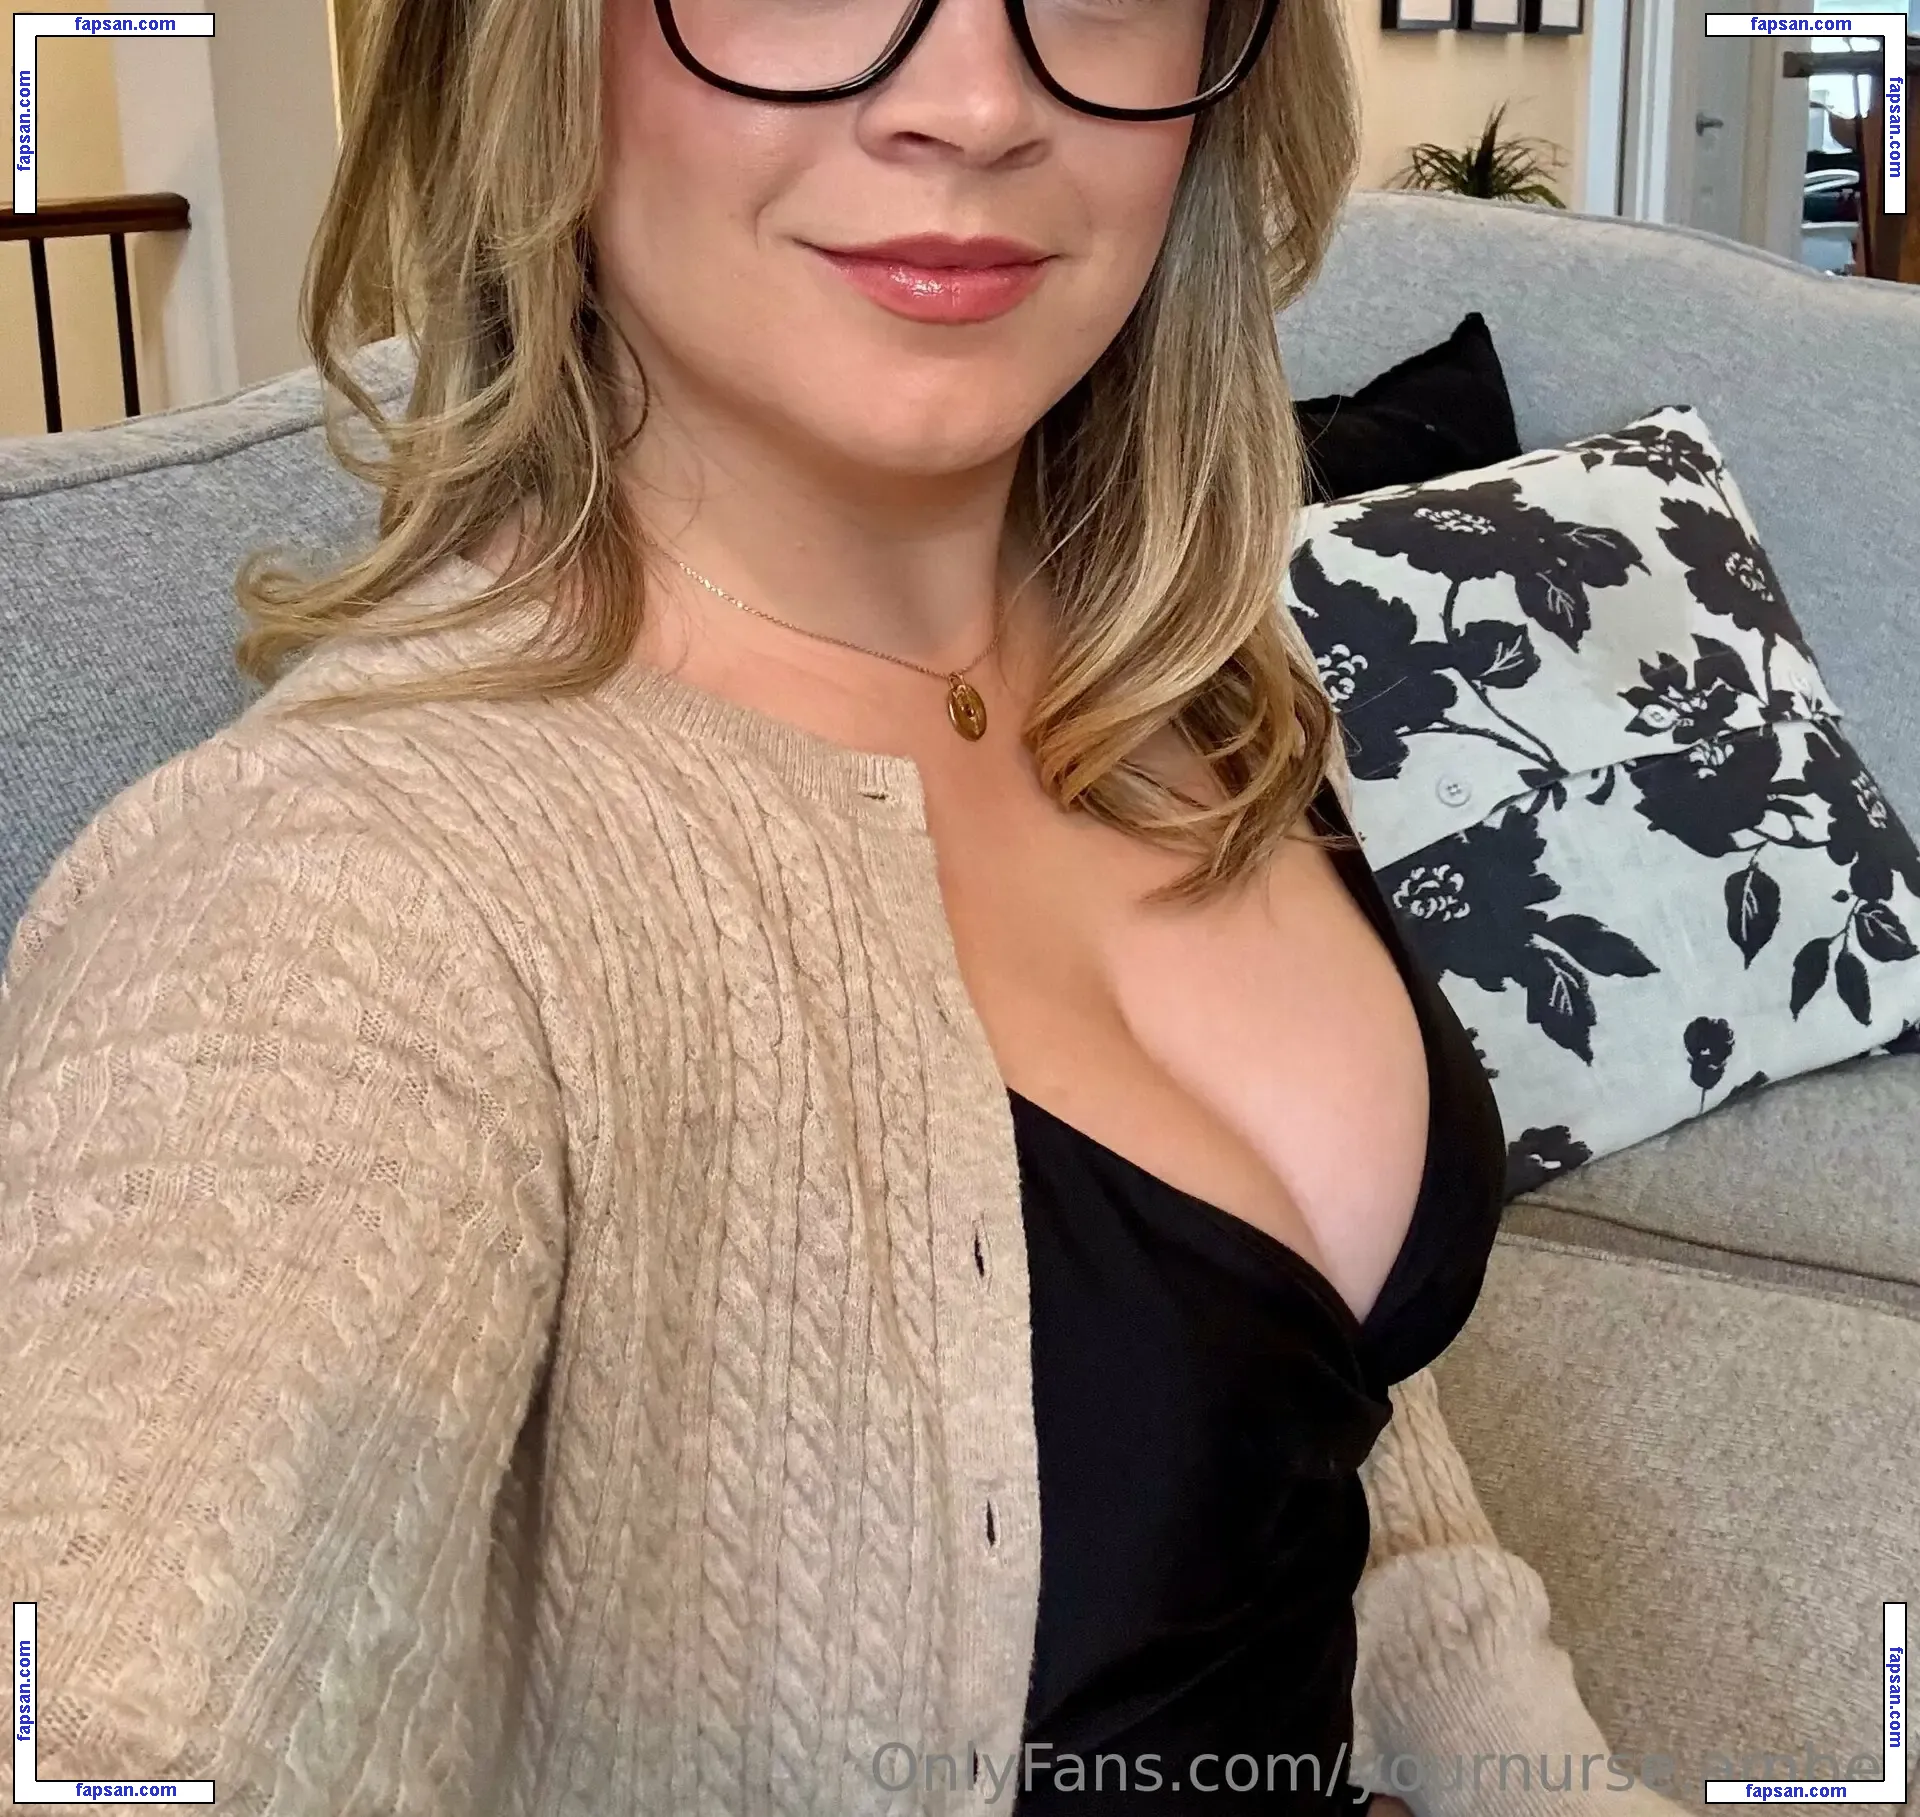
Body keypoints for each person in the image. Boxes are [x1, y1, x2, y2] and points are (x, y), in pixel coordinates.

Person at [0, 0, 1693, 1811]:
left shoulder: (1201, 670)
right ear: (531, 48)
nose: (974, 105)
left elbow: (1331, 1427)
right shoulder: (336, 893)